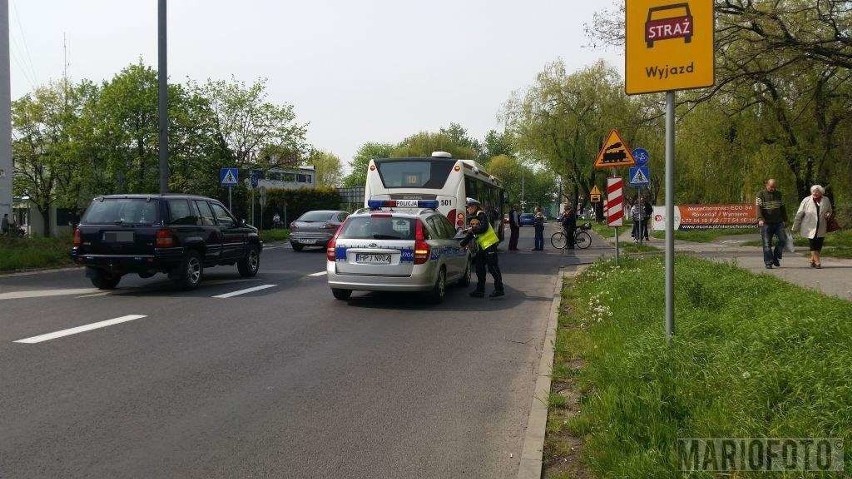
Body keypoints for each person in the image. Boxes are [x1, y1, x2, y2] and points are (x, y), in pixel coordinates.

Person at [460, 198, 505, 298]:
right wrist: (461, 244)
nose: (467, 209)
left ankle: (499, 289)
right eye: (467, 208)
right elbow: (472, 233)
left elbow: (483, 228)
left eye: (469, 207)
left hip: (490, 245)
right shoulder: (473, 217)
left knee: (493, 268)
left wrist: (472, 230)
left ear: (474, 206)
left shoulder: (481, 214)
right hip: (483, 246)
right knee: (479, 268)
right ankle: (480, 290)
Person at [792, 185, 833, 269]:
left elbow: (829, 210)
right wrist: (796, 226)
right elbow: (800, 213)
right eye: (813, 191)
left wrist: (828, 214)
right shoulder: (806, 200)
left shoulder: (826, 200)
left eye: (817, 191)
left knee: (819, 243)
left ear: (821, 192)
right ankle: (817, 261)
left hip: (821, 225)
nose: (815, 193)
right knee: (813, 243)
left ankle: (812, 259)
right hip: (809, 226)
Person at [756, 178, 788, 269]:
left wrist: (785, 220)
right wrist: (760, 219)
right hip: (766, 223)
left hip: (778, 222)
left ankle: (775, 257)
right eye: (771, 187)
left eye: (774, 187)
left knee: (783, 240)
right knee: (767, 244)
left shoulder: (779, 194)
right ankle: (768, 262)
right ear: (767, 185)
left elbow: (782, 208)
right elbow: (758, 208)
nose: (773, 189)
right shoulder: (760, 194)